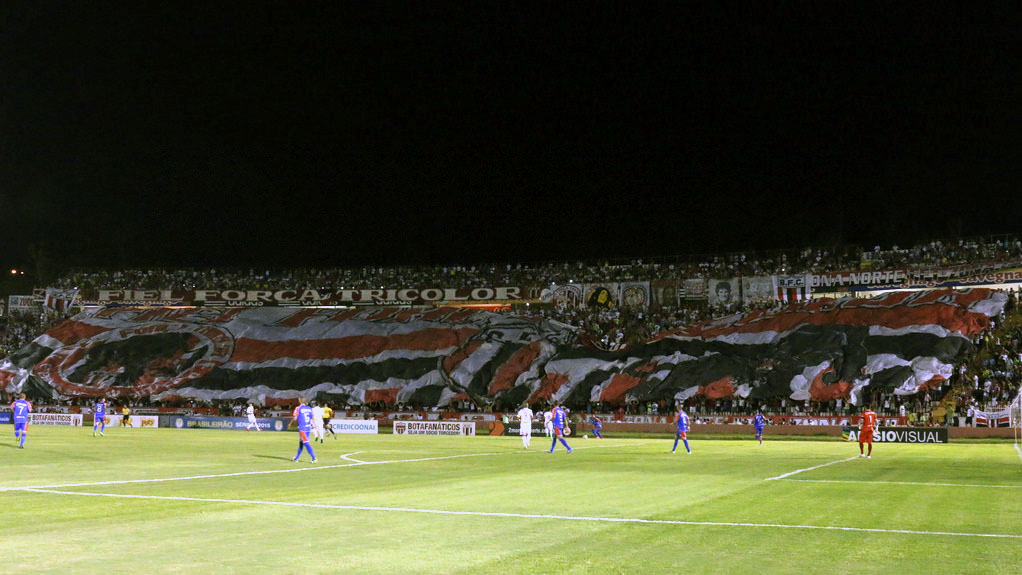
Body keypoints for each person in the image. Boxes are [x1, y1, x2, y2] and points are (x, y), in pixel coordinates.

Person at [289, 398, 317, 462]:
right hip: (308, 428)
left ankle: (314, 458)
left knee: (306, 443)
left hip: (302, 429)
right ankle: (296, 458)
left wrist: (290, 423)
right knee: (301, 443)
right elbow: (312, 418)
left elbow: (295, 418)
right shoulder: (309, 408)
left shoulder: (298, 408)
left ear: (300, 401)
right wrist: (315, 425)